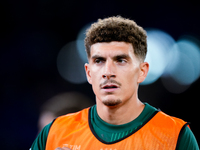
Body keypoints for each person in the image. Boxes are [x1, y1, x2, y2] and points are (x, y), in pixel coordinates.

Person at [30, 16, 199, 150]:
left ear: (142, 71)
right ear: (88, 73)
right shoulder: (54, 132)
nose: (108, 72)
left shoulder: (177, 135)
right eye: (99, 61)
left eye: (121, 60)